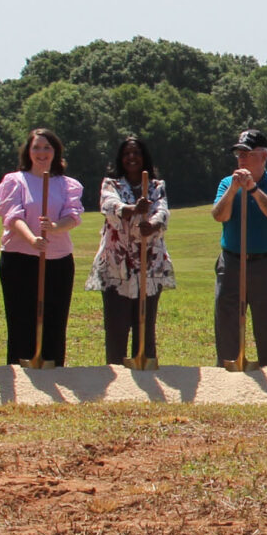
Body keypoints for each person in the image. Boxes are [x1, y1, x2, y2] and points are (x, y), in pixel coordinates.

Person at [0, 128, 83, 367]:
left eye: (47, 147)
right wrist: (32, 239)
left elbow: (73, 216)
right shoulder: (15, 181)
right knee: (21, 318)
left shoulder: (67, 184)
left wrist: (54, 228)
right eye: (36, 147)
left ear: (55, 152)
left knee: (54, 318)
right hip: (19, 259)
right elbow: (12, 216)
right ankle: (20, 366)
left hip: (58, 260)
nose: (41, 153)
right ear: (28, 151)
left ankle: (52, 365)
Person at [87, 135, 171, 367]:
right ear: (120, 159)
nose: (132, 157)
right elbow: (109, 206)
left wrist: (151, 225)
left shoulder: (156, 185)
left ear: (144, 157)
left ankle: (145, 366)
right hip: (118, 264)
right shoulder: (111, 184)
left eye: (136, 153)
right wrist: (133, 209)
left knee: (145, 322)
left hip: (149, 261)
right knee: (117, 324)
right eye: (127, 154)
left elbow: (162, 212)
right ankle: (116, 369)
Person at [212, 129, 267, 368]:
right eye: (239, 153)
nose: (241, 158)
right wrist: (234, 189)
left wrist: (254, 190)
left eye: (247, 153)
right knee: (227, 320)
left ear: (263, 156)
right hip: (232, 261)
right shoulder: (227, 184)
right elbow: (219, 215)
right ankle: (229, 367)